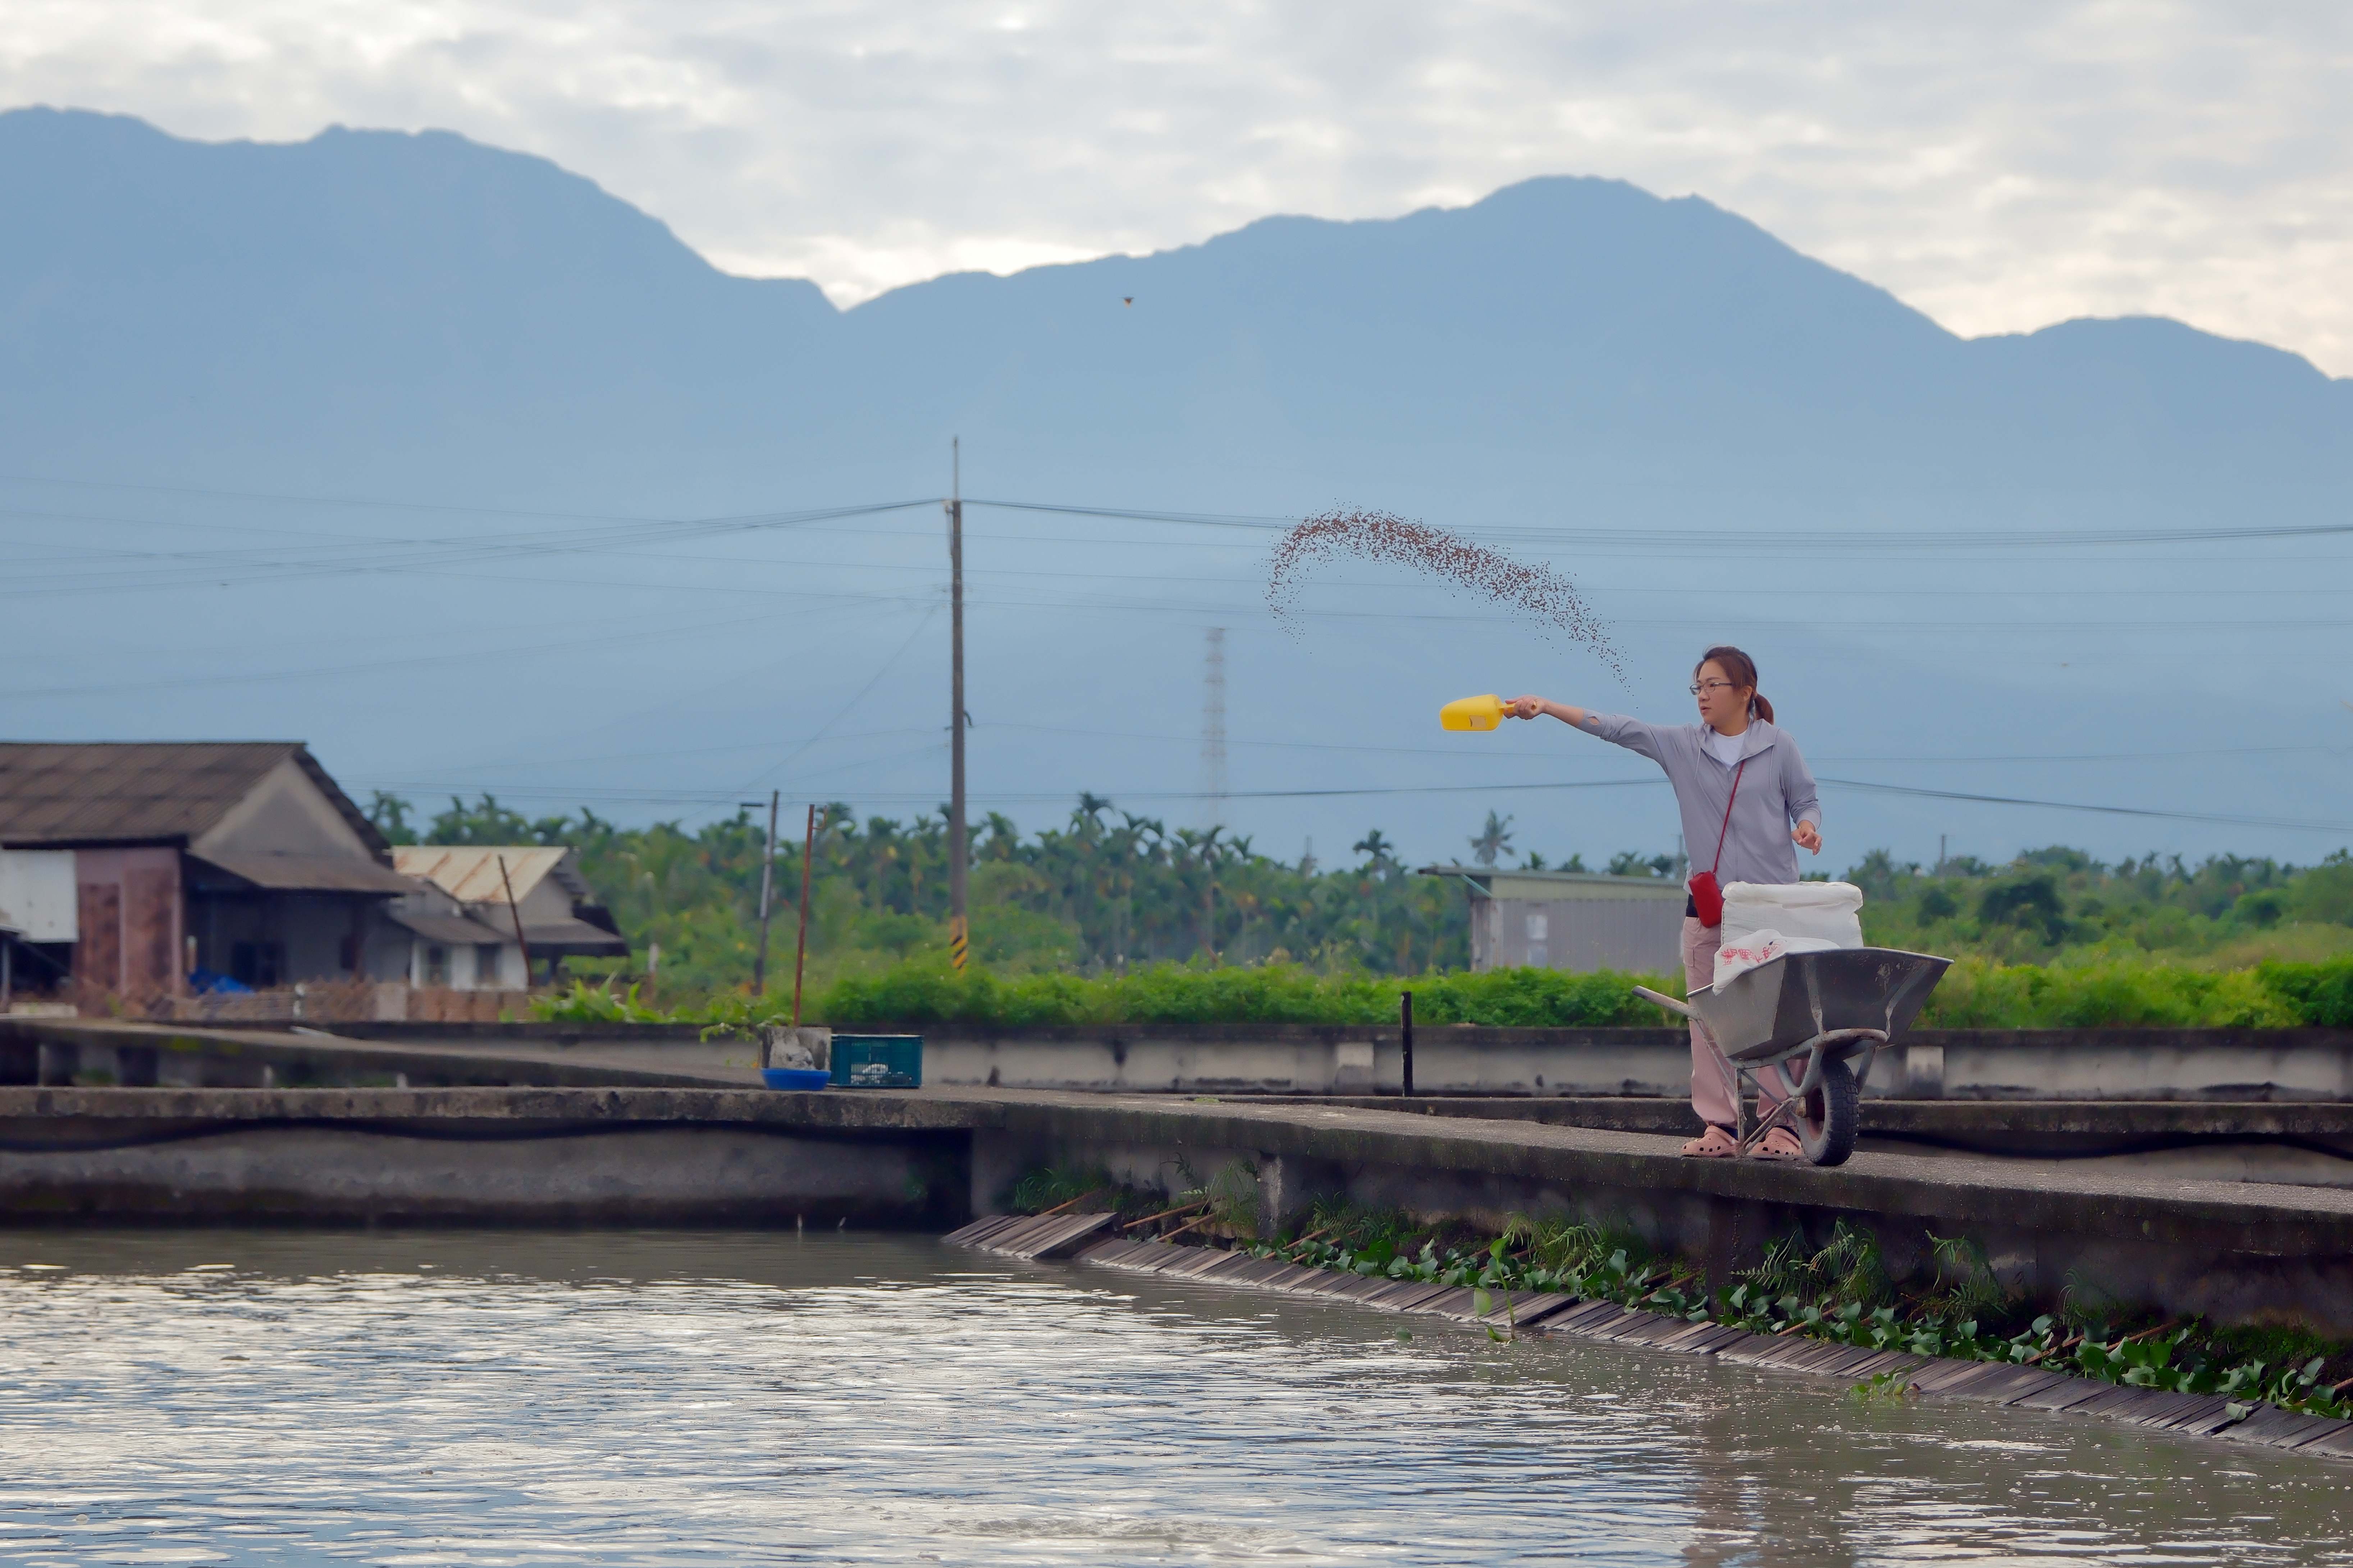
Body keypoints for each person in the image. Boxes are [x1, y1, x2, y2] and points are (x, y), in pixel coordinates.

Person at [1507, 645, 1822, 1159]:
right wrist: (1546, 706)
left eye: (1713, 685)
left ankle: (1780, 1129)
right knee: (1709, 1020)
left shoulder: (1779, 746)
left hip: (1771, 908)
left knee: (1777, 1021)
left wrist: (1808, 827)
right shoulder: (1680, 746)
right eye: (1697, 686)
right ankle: (1720, 1128)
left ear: (1745, 692)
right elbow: (1616, 727)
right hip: (1710, 911)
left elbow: (1806, 800)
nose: (1702, 695)